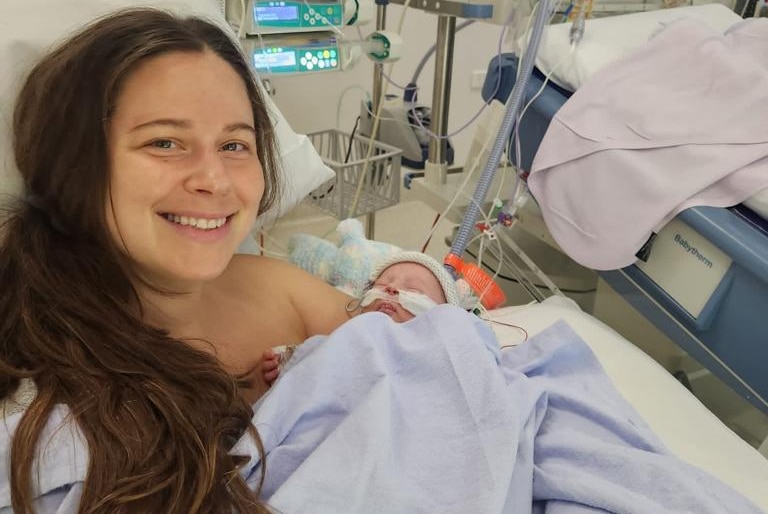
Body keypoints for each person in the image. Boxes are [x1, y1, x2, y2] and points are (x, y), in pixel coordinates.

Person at [0, 8, 352, 513]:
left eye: (234, 144)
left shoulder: (280, 285)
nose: (214, 178)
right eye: (164, 142)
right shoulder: (32, 370)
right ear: (73, 165)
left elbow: (408, 351)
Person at [260, 251, 461, 385]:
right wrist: (291, 360)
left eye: (413, 290)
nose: (392, 289)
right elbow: (325, 359)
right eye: (383, 284)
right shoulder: (348, 337)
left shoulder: (434, 358)